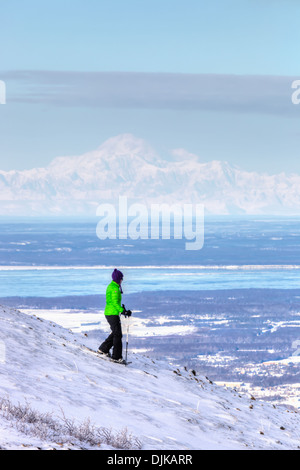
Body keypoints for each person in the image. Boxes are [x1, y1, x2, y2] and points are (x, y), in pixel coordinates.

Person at [98, 268, 131, 363]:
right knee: (118, 334)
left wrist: (122, 310)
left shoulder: (113, 286)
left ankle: (103, 349)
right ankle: (116, 357)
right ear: (118, 278)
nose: (122, 280)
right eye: (121, 278)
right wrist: (123, 311)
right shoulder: (114, 288)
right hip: (112, 313)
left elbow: (114, 303)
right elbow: (114, 304)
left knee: (115, 333)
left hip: (110, 313)